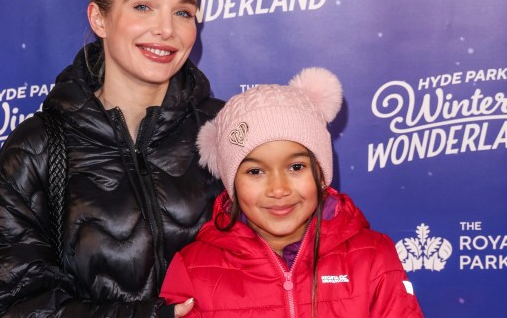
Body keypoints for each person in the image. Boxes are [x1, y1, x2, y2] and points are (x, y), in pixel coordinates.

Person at [0, 0, 223, 318]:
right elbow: (9, 307)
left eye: (183, 12)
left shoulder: (225, 129)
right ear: (99, 18)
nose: (166, 29)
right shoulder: (37, 147)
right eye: (143, 6)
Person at [160, 67, 424, 317]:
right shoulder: (193, 268)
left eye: (296, 167)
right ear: (232, 184)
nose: (278, 189)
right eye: (255, 172)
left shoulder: (373, 256)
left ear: (321, 173)